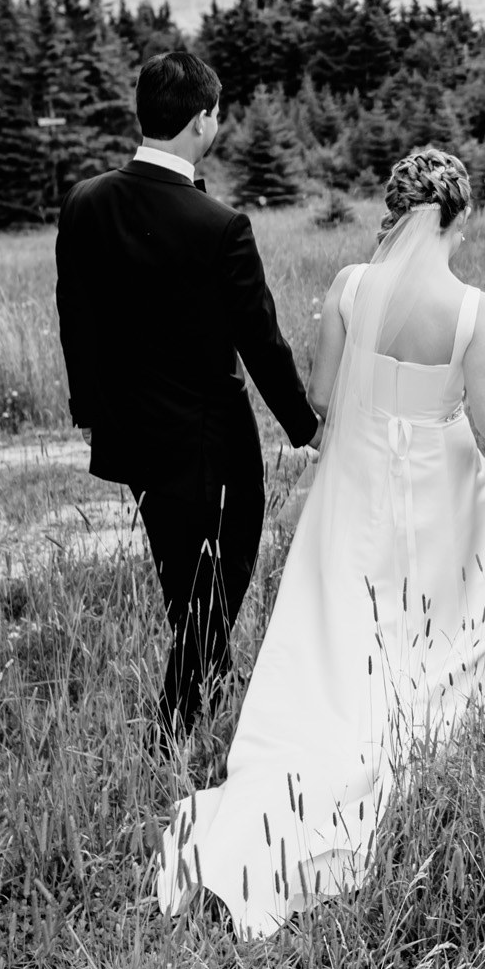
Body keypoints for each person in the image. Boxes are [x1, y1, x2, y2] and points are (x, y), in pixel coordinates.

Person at [157, 146, 485, 937]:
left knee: (339, 622)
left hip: (355, 481)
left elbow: (317, 398)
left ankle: (312, 750)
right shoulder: (475, 309)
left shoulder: (350, 286)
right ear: (457, 214)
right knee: (426, 629)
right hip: (437, 489)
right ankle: (399, 746)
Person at [55, 50, 322, 745]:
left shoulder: (84, 201)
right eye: (218, 111)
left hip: (135, 440)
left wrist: (93, 416)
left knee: (186, 585)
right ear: (202, 121)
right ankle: (171, 730)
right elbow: (261, 342)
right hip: (213, 443)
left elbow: (74, 319)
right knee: (220, 586)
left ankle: (217, 693)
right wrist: (307, 426)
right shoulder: (220, 225)